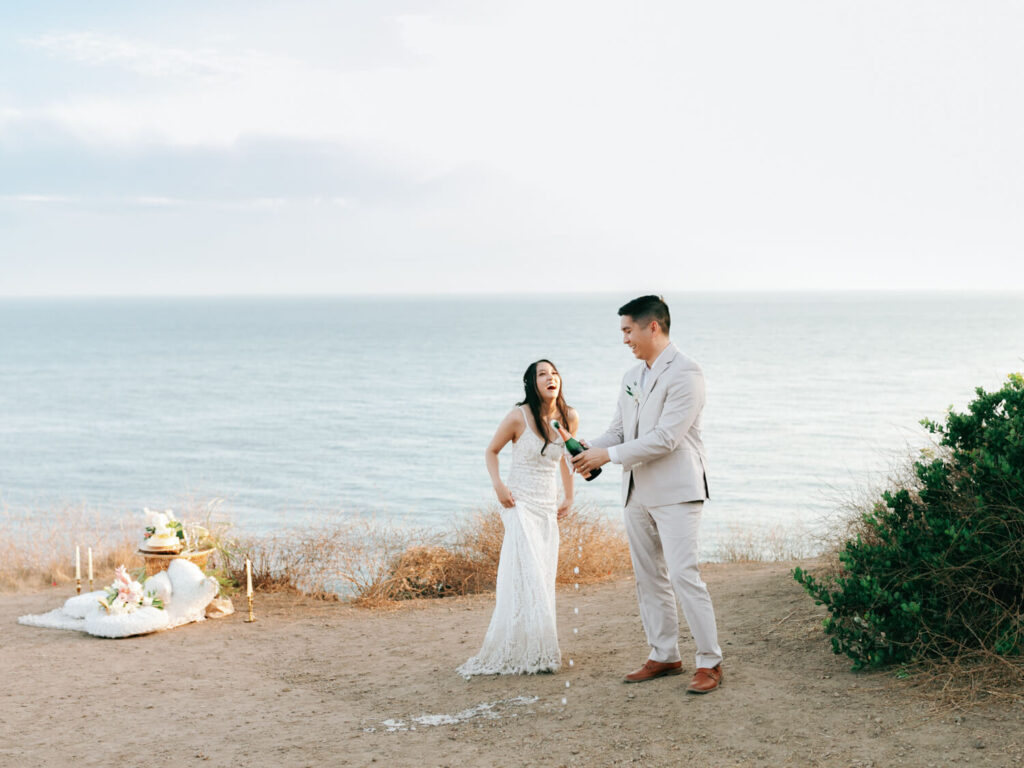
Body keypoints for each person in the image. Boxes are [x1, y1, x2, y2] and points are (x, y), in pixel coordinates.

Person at [570, 295, 724, 694]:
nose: (624, 339)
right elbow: (619, 431)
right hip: (636, 491)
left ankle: (710, 661)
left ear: (652, 326)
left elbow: (667, 438)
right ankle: (664, 653)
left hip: (677, 491)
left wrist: (610, 455)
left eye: (628, 330)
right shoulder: (631, 377)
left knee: (683, 575)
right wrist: (587, 448)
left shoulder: (687, 373)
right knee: (648, 577)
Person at [457, 359, 577, 677]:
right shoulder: (517, 416)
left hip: (546, 507)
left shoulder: (569, 417)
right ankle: (537, 651)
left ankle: (535, 645)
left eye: (554, 373)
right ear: (532, 383)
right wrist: (499, 486)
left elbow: (567, 458)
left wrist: (569, 495)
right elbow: (491, 451)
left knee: (543, 574)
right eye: (542, 374)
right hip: (518, 504)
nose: (550, 378)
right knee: (528, 575)